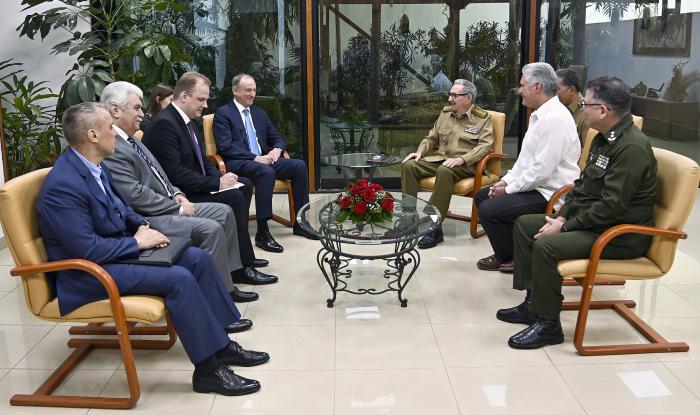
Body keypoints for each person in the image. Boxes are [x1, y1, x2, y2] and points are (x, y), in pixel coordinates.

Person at [37, 102, 270, 396]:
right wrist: (137, 242)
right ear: (93, 135)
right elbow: (87, 249)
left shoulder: (92, 166)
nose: (116, 132)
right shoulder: (64, 185)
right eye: (110, 127)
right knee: (179, 279)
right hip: (88, 274)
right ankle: (208, 371)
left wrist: (144, 227)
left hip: (113, 254)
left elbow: (122, 209)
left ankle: (221, 345)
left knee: (195, 258)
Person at [499, 76, 657, 349]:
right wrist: (562, 216)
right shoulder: (602, 139)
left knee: (547, 245)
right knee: (525, 225)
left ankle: (549, 325)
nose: (581, 108)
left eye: (586, 104)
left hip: (619, 234)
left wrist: (566, 227)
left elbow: (612, 207)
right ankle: (533, 305)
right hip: (597, 223)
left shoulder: (631, 148)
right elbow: (582, 187)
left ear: (604, 110)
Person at [100, 81, 275, 305]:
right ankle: (218, 297)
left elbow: (160, 174)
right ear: (115, 110)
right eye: (136, 108)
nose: (143, 114)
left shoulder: (132, 139)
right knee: (215, 222)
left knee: (225, 211)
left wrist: (177, 193)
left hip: (172, 197)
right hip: (150, 216)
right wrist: (178, 205)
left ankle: (232, 274)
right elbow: (135, 194)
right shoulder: (115, 144)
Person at [142, 73, 275, 286]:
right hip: (180, 194)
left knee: (244, 185)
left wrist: (221, 177)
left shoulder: (187, 122)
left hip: (192, 183)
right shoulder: (164, 124)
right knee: (234, 197)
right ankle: (240, 268)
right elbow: (175, 174)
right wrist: (216, 184)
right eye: (201, 99)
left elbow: (203, 160)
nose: (205, 105)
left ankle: (243, 257)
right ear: (184, 96)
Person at [475, 62, 580, 272]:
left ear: (537, 87)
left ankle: (513, 257)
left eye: (523, 85)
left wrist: (508, 189)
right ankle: (510, 251)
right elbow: (525, 162)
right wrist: (505, 181)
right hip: (537, 185)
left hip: (550, 192)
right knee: (482, 196)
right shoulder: (539, 114)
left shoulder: (555, 119)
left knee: (488, 209)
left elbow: (541, 171)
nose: (519, 90)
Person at [212, 73, 317, 254]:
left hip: (263, 161)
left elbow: (277, 138)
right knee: (266, 172)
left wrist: (277, 149)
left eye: (254, 90)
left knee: (298, 165)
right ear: (235, 91)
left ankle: (301, 223)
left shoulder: (259, 113)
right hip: (238, 162)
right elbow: (225, 147)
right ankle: (263, 232)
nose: (252, 94)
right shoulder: (223, 114)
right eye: (248, 90)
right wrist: (254, 158)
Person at [401, 79, 494, 249]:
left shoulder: (482, 118)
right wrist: (420, 152)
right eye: (450, 94)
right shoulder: (445, 114)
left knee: (445, 171)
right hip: (441, 159)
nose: (450, 98)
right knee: (410, 165)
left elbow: (485, 146)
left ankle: (434, 227)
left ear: (468, 98)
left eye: (454, 95)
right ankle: (408, 218)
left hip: (466, 165)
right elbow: (431, 138)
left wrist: (462, 159)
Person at [556, 68, 589, 144]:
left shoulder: (586, 112)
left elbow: (587, 151)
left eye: (557, 89)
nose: (554, 93)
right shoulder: (559, 107)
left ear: (571, 90)